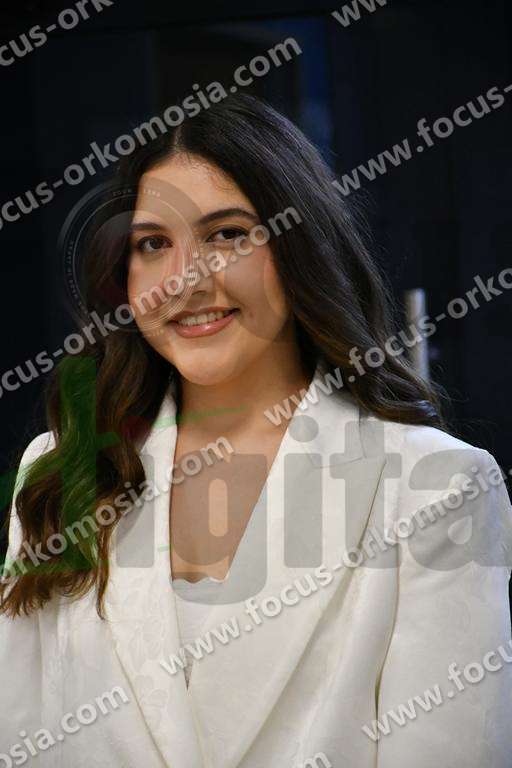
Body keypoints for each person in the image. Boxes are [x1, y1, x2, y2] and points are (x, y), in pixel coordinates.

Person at [1, 94, 511, 768]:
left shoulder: (435, 487)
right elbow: (21, 735)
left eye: (226, 235)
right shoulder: (59, 471)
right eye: (153, 244)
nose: (184, 281)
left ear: (301, 248)